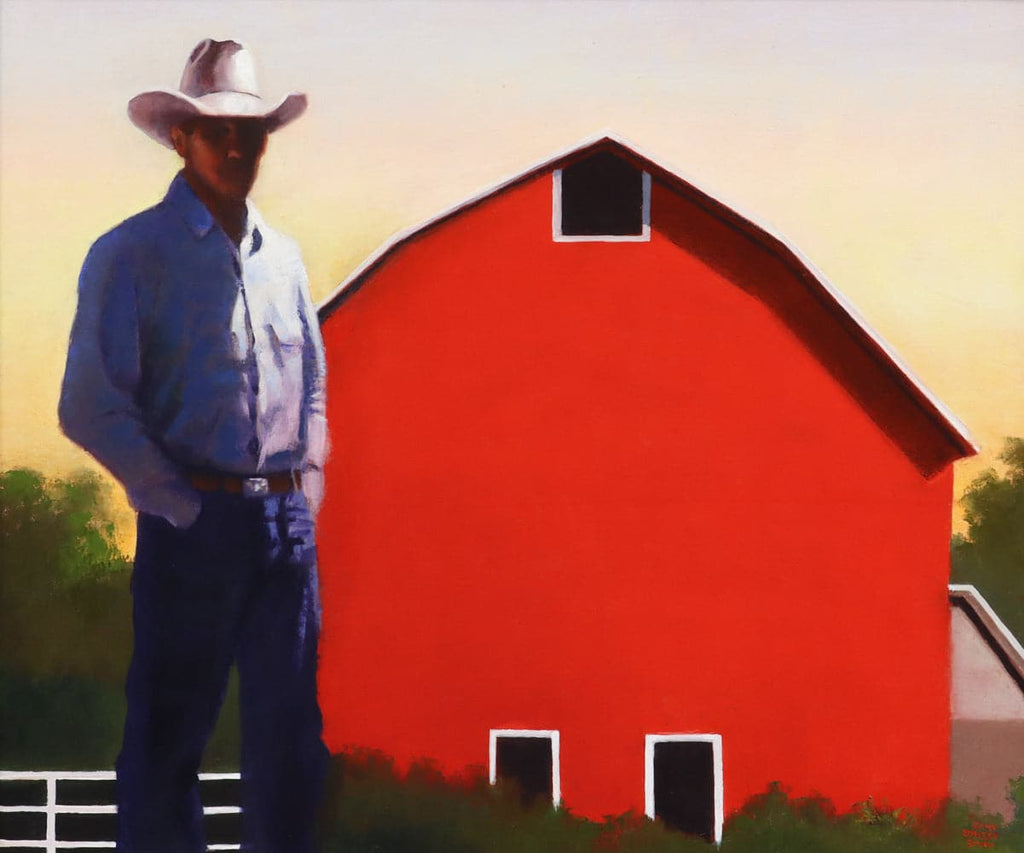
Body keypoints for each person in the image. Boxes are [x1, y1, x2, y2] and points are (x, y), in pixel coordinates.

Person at [59, 38, 329, 853]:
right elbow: (89, 402)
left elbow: (314, 387)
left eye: (252, 132)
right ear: (180, 137)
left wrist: (307, 490)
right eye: (218, 131)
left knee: (289, 744)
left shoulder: (286, 260)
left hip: (285, 534)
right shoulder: (130, 254)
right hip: (193, 529)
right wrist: (176, 502)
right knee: (168, 741)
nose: (238, 147)